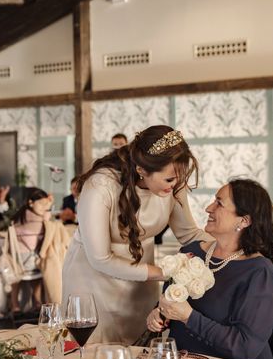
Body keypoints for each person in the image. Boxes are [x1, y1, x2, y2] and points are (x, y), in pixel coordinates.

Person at [61, 125, 211, 344]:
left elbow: (189, 234)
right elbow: (100, 259)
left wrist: (239, 247)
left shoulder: (172, 182)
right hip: (93, 282)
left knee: (138, 354)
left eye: (178, 179)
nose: (176, 185)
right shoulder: (100, 186)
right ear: (142, 169)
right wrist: (162, 272)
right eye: (169, 180)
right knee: (97, 356)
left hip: (140, 281)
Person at [149, 179, 273, 359]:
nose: (208, 208)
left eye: (219, 203)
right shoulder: (190, 253)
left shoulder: (259, 272)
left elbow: (245, 348)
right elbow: (169, 302)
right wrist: (159, 314)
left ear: (244, 221)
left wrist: (189, 317)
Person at [6, 188, 71, 311]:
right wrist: (50, 204)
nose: (43, 207)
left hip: (18, 261)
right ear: (31, 203)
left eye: (45, 204)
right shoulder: (41, 218)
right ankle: (37, 301)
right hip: (35, 261)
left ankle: (15, 304)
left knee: (20, 271)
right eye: (41, 204)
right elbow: (51, 220)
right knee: (46, 262)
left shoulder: (19, 216)